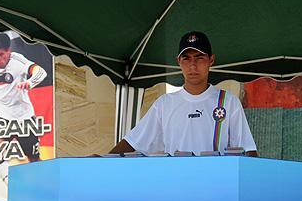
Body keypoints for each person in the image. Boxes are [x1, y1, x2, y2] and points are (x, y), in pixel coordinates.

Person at [109, 31, 257, 156]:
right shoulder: (164, 104)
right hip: (176, 180)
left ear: (211, 60)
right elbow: (134, 142)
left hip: (215, 181)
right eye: (186, 58)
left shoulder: (228, 102)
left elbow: (248, 150)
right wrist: (102, 160)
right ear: (178, 61)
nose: (193, 65)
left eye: (199, 58)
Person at [0, 33, 48, 181]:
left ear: (8, 52)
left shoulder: (18, 61)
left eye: (1, 55)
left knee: (34, 159)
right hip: (2, 116)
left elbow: (41, 72)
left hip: (24, 119)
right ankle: (9, 183)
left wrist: (29, 83)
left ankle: (43, 185)